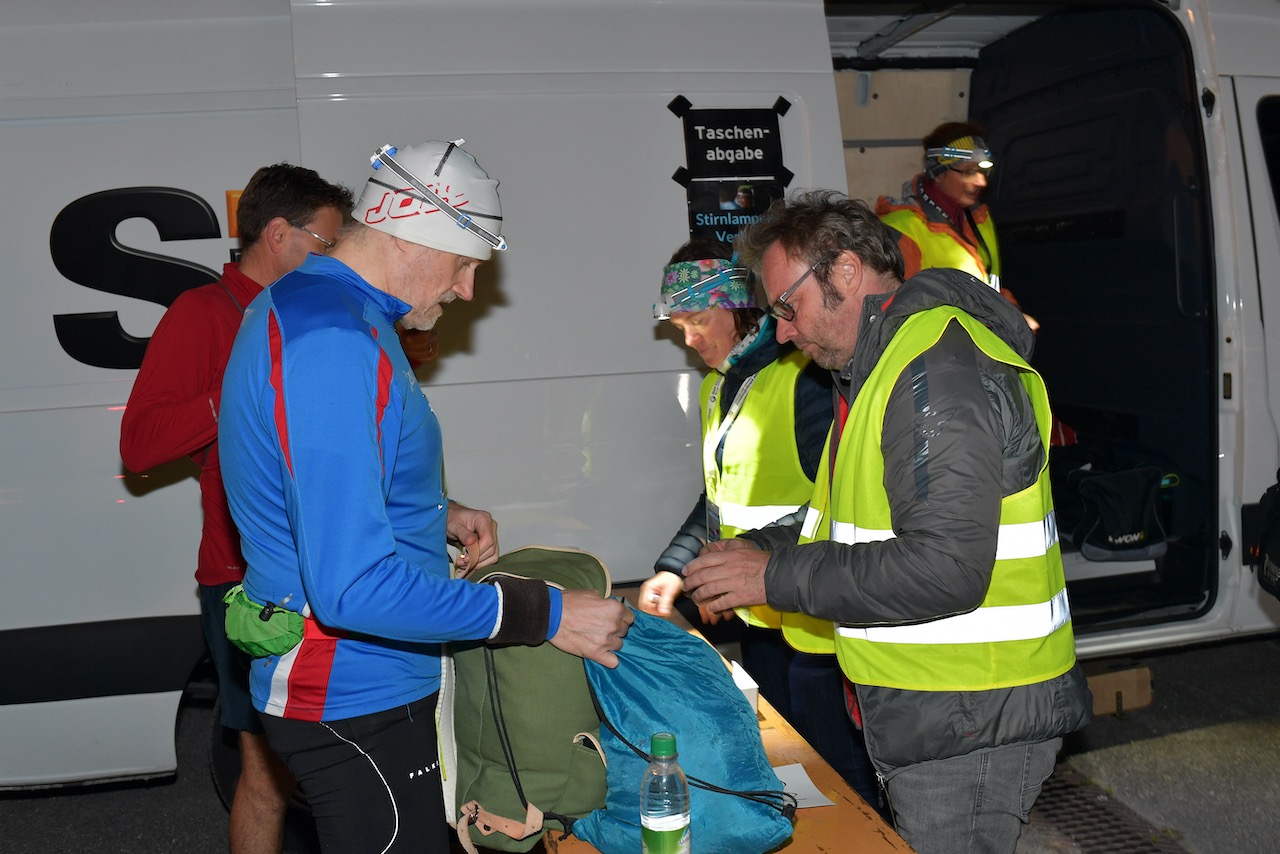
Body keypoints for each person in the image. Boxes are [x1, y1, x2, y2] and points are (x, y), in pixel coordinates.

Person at [216, 139, 633, 854]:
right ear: (412, 233)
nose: (468, 290)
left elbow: (322, 477)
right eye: (465, 264)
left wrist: (435, 511)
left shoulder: (320, 305)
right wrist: (546, 612)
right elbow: (352, 588)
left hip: (355, 674)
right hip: (352, 686)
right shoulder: (333, 338)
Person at [681, 190, 1092, 853]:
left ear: (845, 271)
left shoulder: (936, 368)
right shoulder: (880, 370)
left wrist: (775, 574)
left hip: (974, 714)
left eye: (789, 306)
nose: (781, 330)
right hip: (938, 706)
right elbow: (835, 521)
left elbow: (945, 566)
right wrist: (754, 551)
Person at [120, 163, 353, 854]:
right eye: (326, 241)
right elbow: (140, 445)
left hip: (335, 573)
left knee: (346, 756)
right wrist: (236, 392)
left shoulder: (312, 315)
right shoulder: (203, 314)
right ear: (279, 234)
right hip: (244, 585)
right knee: (265, 768)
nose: (335, 258)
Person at [638, 239, 881, 810]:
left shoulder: (806, 380)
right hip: (759, 619)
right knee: (792, 778)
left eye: (698, 320)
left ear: (742, 308)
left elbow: (841, 504)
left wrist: (739, 562)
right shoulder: (718, 386)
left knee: (844, 783)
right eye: (679, 327)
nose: (690, 339)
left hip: (819, 630)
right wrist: (677, 568)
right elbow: (718, 499)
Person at [875, 121, 1039, 332]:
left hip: (981, 347)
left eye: (983, 170)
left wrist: (1012, 313)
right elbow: (894, 317)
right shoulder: (901, 231)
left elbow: (989, 286)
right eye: (968, 172)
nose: (981, 182)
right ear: (938, 173)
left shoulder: (980, 219)